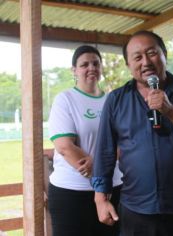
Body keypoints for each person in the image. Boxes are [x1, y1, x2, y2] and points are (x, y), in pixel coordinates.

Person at [91, 30, 173, 236]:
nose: (146, 62)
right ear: (128, 65)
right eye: (137, 57)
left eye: (152, 53)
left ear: (165, 54)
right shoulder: (116, 100)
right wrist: (100, 198)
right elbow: (105, 151)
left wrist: (171, 112)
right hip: (136, 211)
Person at [48, 45, 122, 236]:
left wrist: (97, 167)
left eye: (96, 63)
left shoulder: (112, 100)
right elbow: (65, 146)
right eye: (84, 64)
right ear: (74, 70)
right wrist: (101, 171)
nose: (91, 68)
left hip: (112, 189)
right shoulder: (65, 99)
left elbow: (124, 142)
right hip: (71, 193)